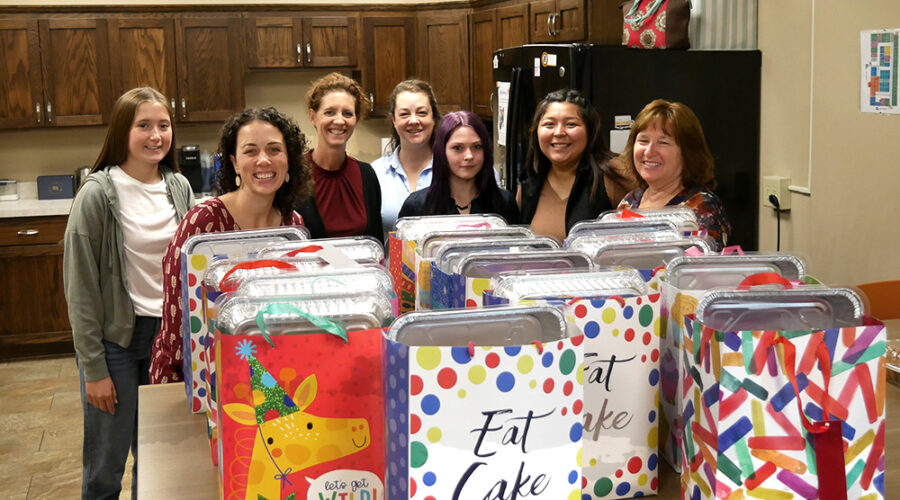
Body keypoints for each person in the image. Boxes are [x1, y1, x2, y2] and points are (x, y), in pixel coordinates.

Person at [63, 87, 194, 499]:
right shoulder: (98, 194)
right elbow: (80, 290)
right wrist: (94, 369)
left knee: (158, 455)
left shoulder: (179, 187)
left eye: (163, 125)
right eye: (144, 126)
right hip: (117, 341)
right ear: (123, 130)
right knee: (106, 461)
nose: (156, 135)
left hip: (169, 338)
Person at [149, 107, 311, 383]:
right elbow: (177, 316)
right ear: (235, 163)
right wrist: (183, 379)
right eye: (250, 151)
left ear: (289, 161)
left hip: (271, 371)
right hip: (199, 372)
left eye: (274, 150)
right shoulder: (204, 222)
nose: (263, 160)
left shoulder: (293, 226)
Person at [518, 89, 634, 242]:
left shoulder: (614, 174)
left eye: (571, 124)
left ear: (589, 131)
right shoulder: (528, 187)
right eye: (549, 124)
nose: (559, 132)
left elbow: (643, 234)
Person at [618, 99, 732, 249]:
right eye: (643, 141)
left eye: (663, 142)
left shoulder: (701, 206)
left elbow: (698, 268)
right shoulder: (629, 202)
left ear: (687, 153)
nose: (649, 151)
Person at [297, 72, 383, 243]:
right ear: (312, 116)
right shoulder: (294, 174)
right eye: (329, 112)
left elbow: (376, 244)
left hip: (362, 269)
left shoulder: (366, 175)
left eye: (347, 114)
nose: (339, 120)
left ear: (356, 120)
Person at [398, 111, 519, 223]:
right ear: (442, 152)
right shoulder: (415, 205)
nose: (469, 156)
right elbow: (396, 247)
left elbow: (518, 244)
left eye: (477, 147)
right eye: (457, 148)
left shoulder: (505, 202)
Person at [372, 79, 441, 237]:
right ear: (393, 120)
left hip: (442, 261)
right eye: (404, 114)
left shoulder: (453, 171)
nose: (414, 120)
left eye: (421, 112)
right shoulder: (375, 174)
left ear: (434, 117)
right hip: (394, 260)